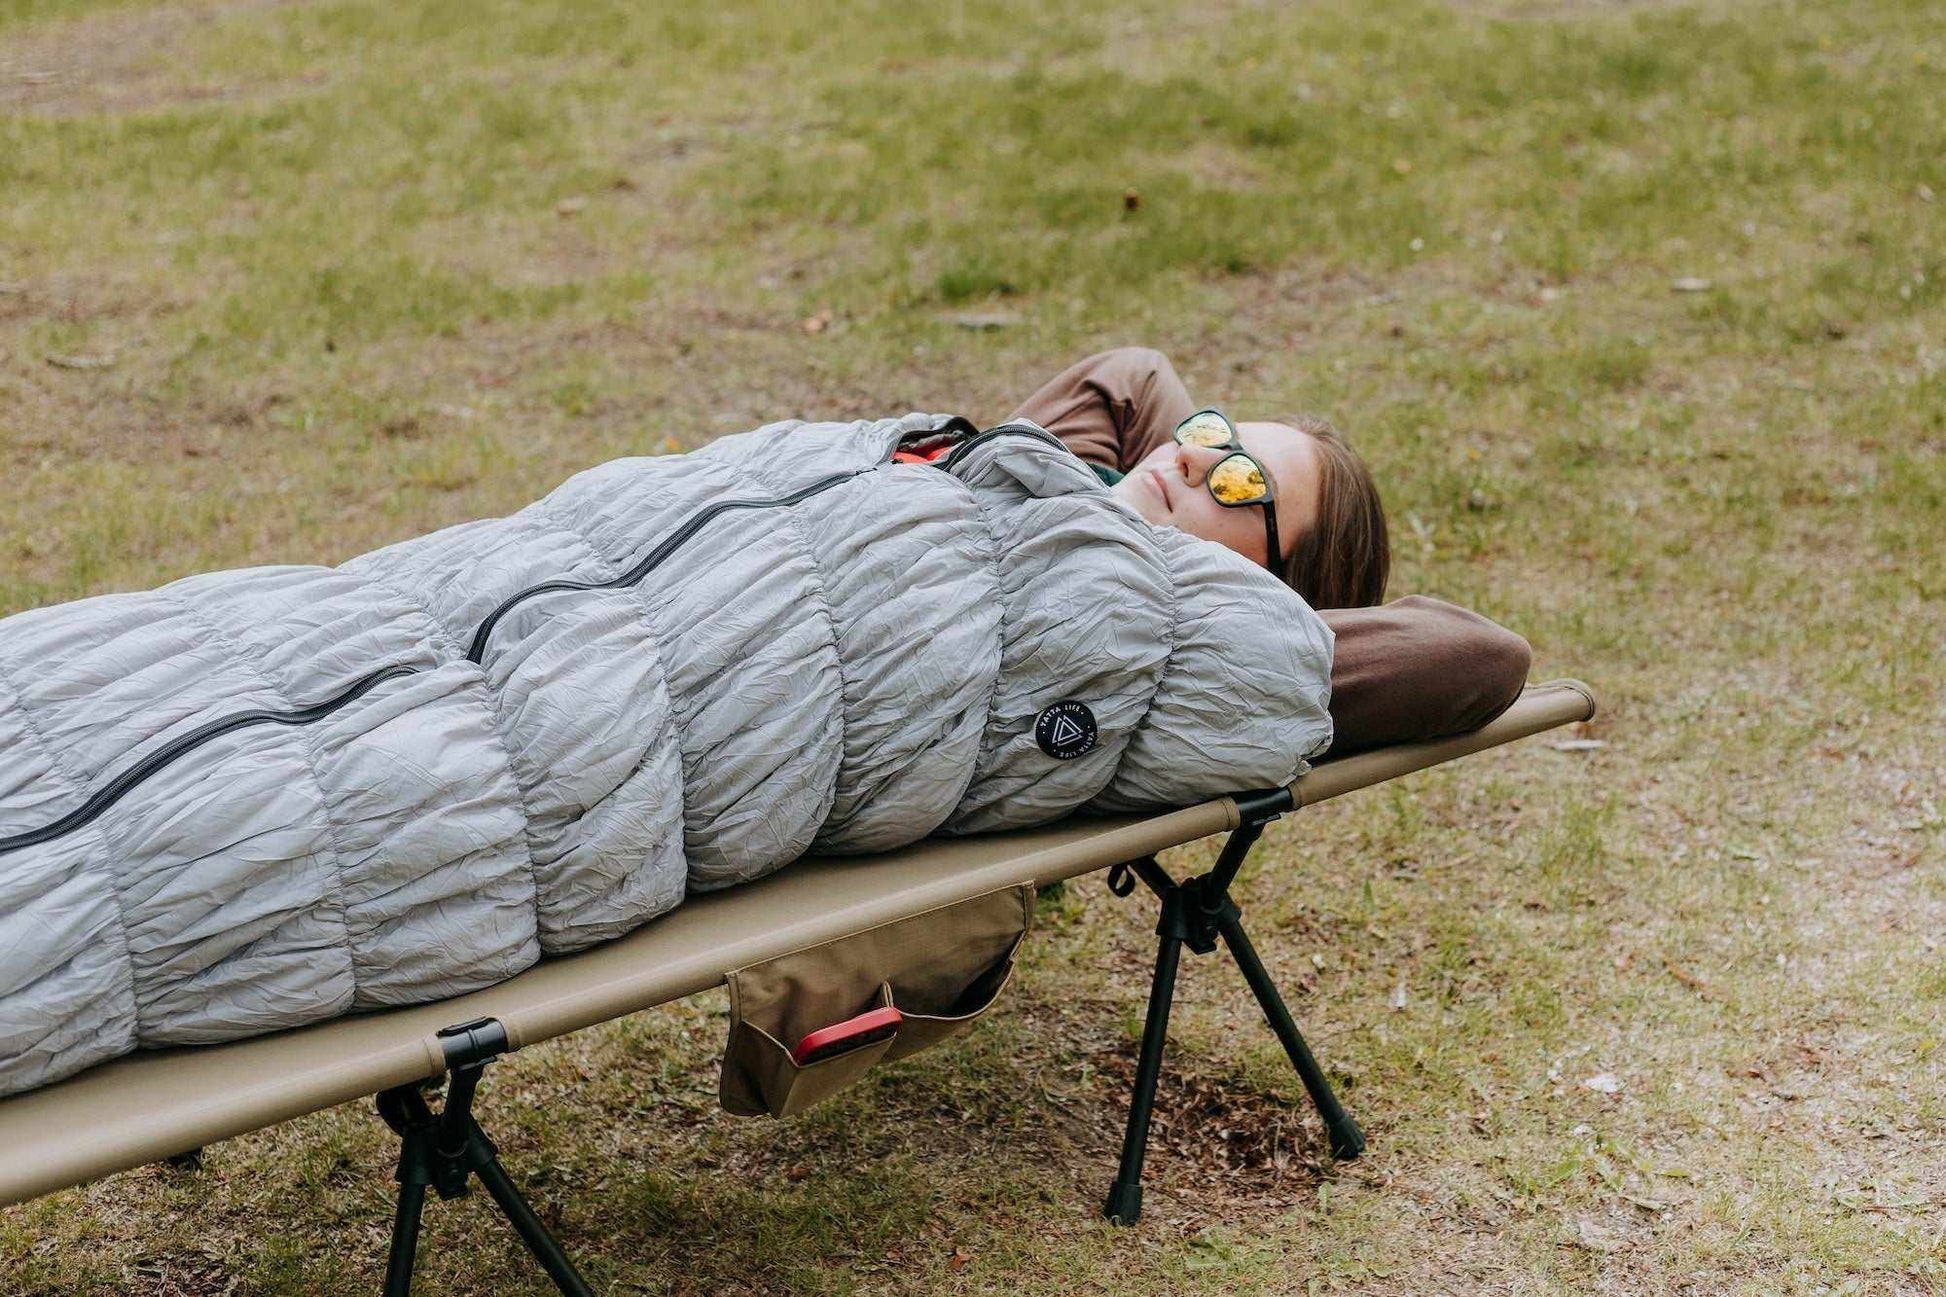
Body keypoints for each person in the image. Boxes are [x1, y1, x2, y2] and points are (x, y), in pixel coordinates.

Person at [1009, 347, 1532, 757]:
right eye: (1213, 437)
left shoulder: (1195, 659)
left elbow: (1485, 657)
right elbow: (1134, 376)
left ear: (1271, 591)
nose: (1188, 456)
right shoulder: (1056, 496)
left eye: (1241, 481)